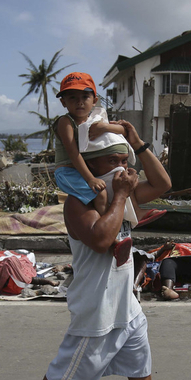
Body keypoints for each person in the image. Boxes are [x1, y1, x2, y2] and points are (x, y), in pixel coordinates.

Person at [17, 120, 190, 380]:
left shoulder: (122, 192)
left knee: (139, 352)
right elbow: (100, 240)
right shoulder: (77, 203)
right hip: (98, 303)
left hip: (124, 297)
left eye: (124, 162)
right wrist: (121, 194)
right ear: (91, 165)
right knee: (71, 363)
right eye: (112, 162)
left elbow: (163, 182)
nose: (121, 169)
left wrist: (136, 142)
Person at [53, 72, 133, 264]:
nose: (79, 102)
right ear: (64, 102)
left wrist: (104, 128)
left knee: (113, 190)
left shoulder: (94, 121)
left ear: (94, 100)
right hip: (67, 172)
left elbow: (124, 130)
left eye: (85, 97)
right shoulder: (66, 122)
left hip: (81, 169)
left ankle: (122, 222)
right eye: (72, 98)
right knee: (101, 194)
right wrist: (90, 179)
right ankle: (112, 241)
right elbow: (73, 154)